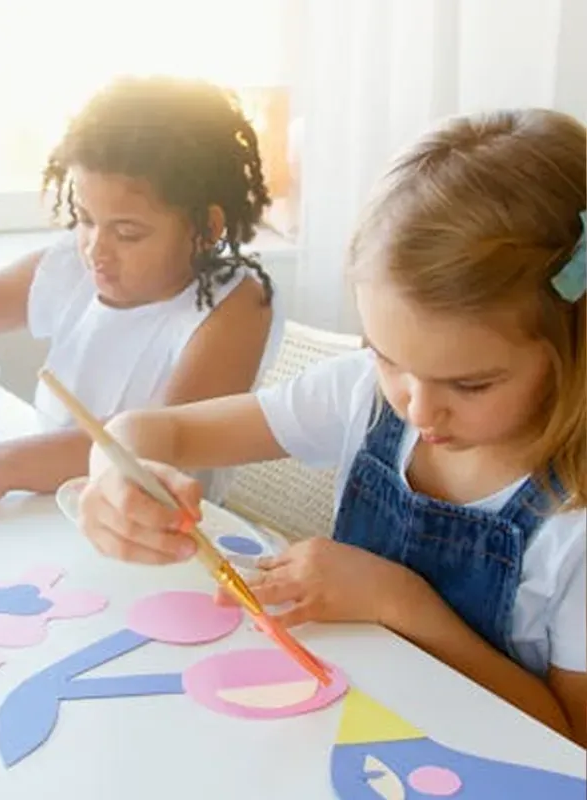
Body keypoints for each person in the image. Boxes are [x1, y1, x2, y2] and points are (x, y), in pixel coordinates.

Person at [77, 109, 587, 745]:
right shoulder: (361, 395)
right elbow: (154, 432)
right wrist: (116, 474)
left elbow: (570, 741)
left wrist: (401, 604)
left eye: (471, 384)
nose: (418, 411)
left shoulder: (573, 526)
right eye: (387, 356)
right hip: (343, 738)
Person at [0, 76, 282, 526]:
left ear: (206, 228)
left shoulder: (238, 303)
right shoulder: (74, 266)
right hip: (53, 517)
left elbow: (156, 440)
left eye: (128, 232)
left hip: (165, 539)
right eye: (86, 220)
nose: (96, 249)